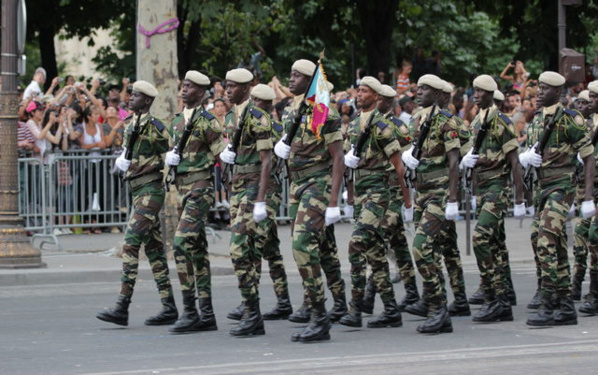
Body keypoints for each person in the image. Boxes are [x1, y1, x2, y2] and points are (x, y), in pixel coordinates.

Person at [96, 81, 178, 327]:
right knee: (154, 251)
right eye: (131, 94)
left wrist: (148, 166)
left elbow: (172, 155)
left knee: (131, 245)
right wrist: (124, 160)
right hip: (136, 190)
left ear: (148, 101)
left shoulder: (155, 127)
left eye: (137, 95)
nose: (131, 98)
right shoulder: (131, 124)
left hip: (150, 191)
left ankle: (122, 306)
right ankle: (169, 307)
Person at [274, 59, 344, 342]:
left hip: (318, 183)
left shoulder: (322, 108)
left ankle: (319, 316)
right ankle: (339, 302)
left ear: (310, 80)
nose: (290, 79)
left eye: (296, 75)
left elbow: (338, 156)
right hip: (297, 185)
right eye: (289, 74)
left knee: (302, 245)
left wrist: (334, 202)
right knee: (323, 248)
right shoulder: (292, 108)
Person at [519, 71, 596, 326]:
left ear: (558, 92)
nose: (539, 92)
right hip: (542, 187)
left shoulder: (570, 119)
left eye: (544, 88)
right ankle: (565, 306)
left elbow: (588, 156)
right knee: (556, 245)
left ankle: (550, 303)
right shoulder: (538, 117)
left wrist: (586, 199)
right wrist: (526, 156)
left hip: (562, 187)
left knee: (545, 241)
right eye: (538, 88)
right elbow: (530, 149)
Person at [339, 77, 407, 329]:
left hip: (378, 193)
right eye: (358, 90)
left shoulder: (383, 126)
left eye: (365, 91)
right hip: (361, 193)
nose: (359, 94)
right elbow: (348, 162)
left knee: (356, 245)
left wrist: (407, 202)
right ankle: (391, 310)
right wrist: (349, 195)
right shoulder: (355, 122)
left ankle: (355, 309)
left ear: (376, 97)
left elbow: (399, 166)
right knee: (375, 253)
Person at [166, 71, 226, 334]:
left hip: (200, 189)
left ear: (201, 93)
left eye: (190, 87)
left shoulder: (209, 122)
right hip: (181, 189)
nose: (184, 89)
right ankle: (207, 314)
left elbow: (222, 158)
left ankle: (189, 311)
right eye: (184, 85)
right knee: (197, 250)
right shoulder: (177, 121)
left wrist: (232, 192)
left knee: (180, 245)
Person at [460, 74, 523, 322]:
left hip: (498, 188)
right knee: (495, 245)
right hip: (484, 189)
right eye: (474, 90)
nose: (475, 94)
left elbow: (514, 161)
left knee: (480, 238)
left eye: (480, 91)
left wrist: (519, 199)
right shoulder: (478, 120)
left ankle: (494, 297)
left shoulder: (500, 121)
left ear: (490, 93)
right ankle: (503, 299)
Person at [401, 74, 461, 333]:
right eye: (418, 88)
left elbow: (454, 161)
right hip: (421, 193)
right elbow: (413, 146)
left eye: (425, 89)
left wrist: (453, 199)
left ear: (437, 94)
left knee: (421, 247)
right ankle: (433, 302)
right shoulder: (417, 118)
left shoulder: (447, 121)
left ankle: (439, 309)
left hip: (439, 192)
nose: (419, 92)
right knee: (431, 252)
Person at [220, 68, 273, 336]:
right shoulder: (232, 116)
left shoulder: (258, 116)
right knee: (247, 252)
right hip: (238, 187)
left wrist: (261, 200)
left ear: (247, 88)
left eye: (233, 86)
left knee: (239, 249)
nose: (228, 90)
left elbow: (267, 160)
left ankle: (252, 312)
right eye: (226, 86)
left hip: (254, 187)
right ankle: (251, 310)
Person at [360, 84, 419, 315]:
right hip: (376, 192)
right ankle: (412, 292)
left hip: (393, 193)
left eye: (383, 100)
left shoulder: (396, 126)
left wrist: (406, 201)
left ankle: (368, 295)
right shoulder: (366, 123)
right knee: (398, 245)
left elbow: (404, 162)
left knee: (379, 240)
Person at [573, 83, 598, 307]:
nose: (589, 102)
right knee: (585, 233)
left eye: (593, 97)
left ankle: (594, 293)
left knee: (594, 236)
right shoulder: (590, 124)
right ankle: (579, 284)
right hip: (591, 189)